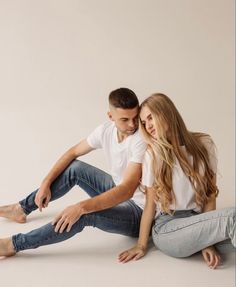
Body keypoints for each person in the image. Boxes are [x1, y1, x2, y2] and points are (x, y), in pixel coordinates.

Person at [0, 87, 147, 257]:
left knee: (83, 214)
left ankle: (13, 245)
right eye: (125, 119)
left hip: (138, 214)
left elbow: (127, 189)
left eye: (135, 118)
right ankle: (21, 209)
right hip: (118, 190)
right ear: (110, 116)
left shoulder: (140, 140)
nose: (132, 124)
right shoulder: (106, 130)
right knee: (75, 169)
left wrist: (80, 207)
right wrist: (45, 183)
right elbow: (73, 152)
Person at [118, 93, 235, 269]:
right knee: (232, 218)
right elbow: (150, 204)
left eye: (150, 118)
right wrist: (141, 245)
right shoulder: (153, 155)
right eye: (143, 123)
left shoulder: (204, 144)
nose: (147, 126)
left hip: (198, 221)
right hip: (168, 229)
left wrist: (207, 240)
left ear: (166, 113)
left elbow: (210, 193)